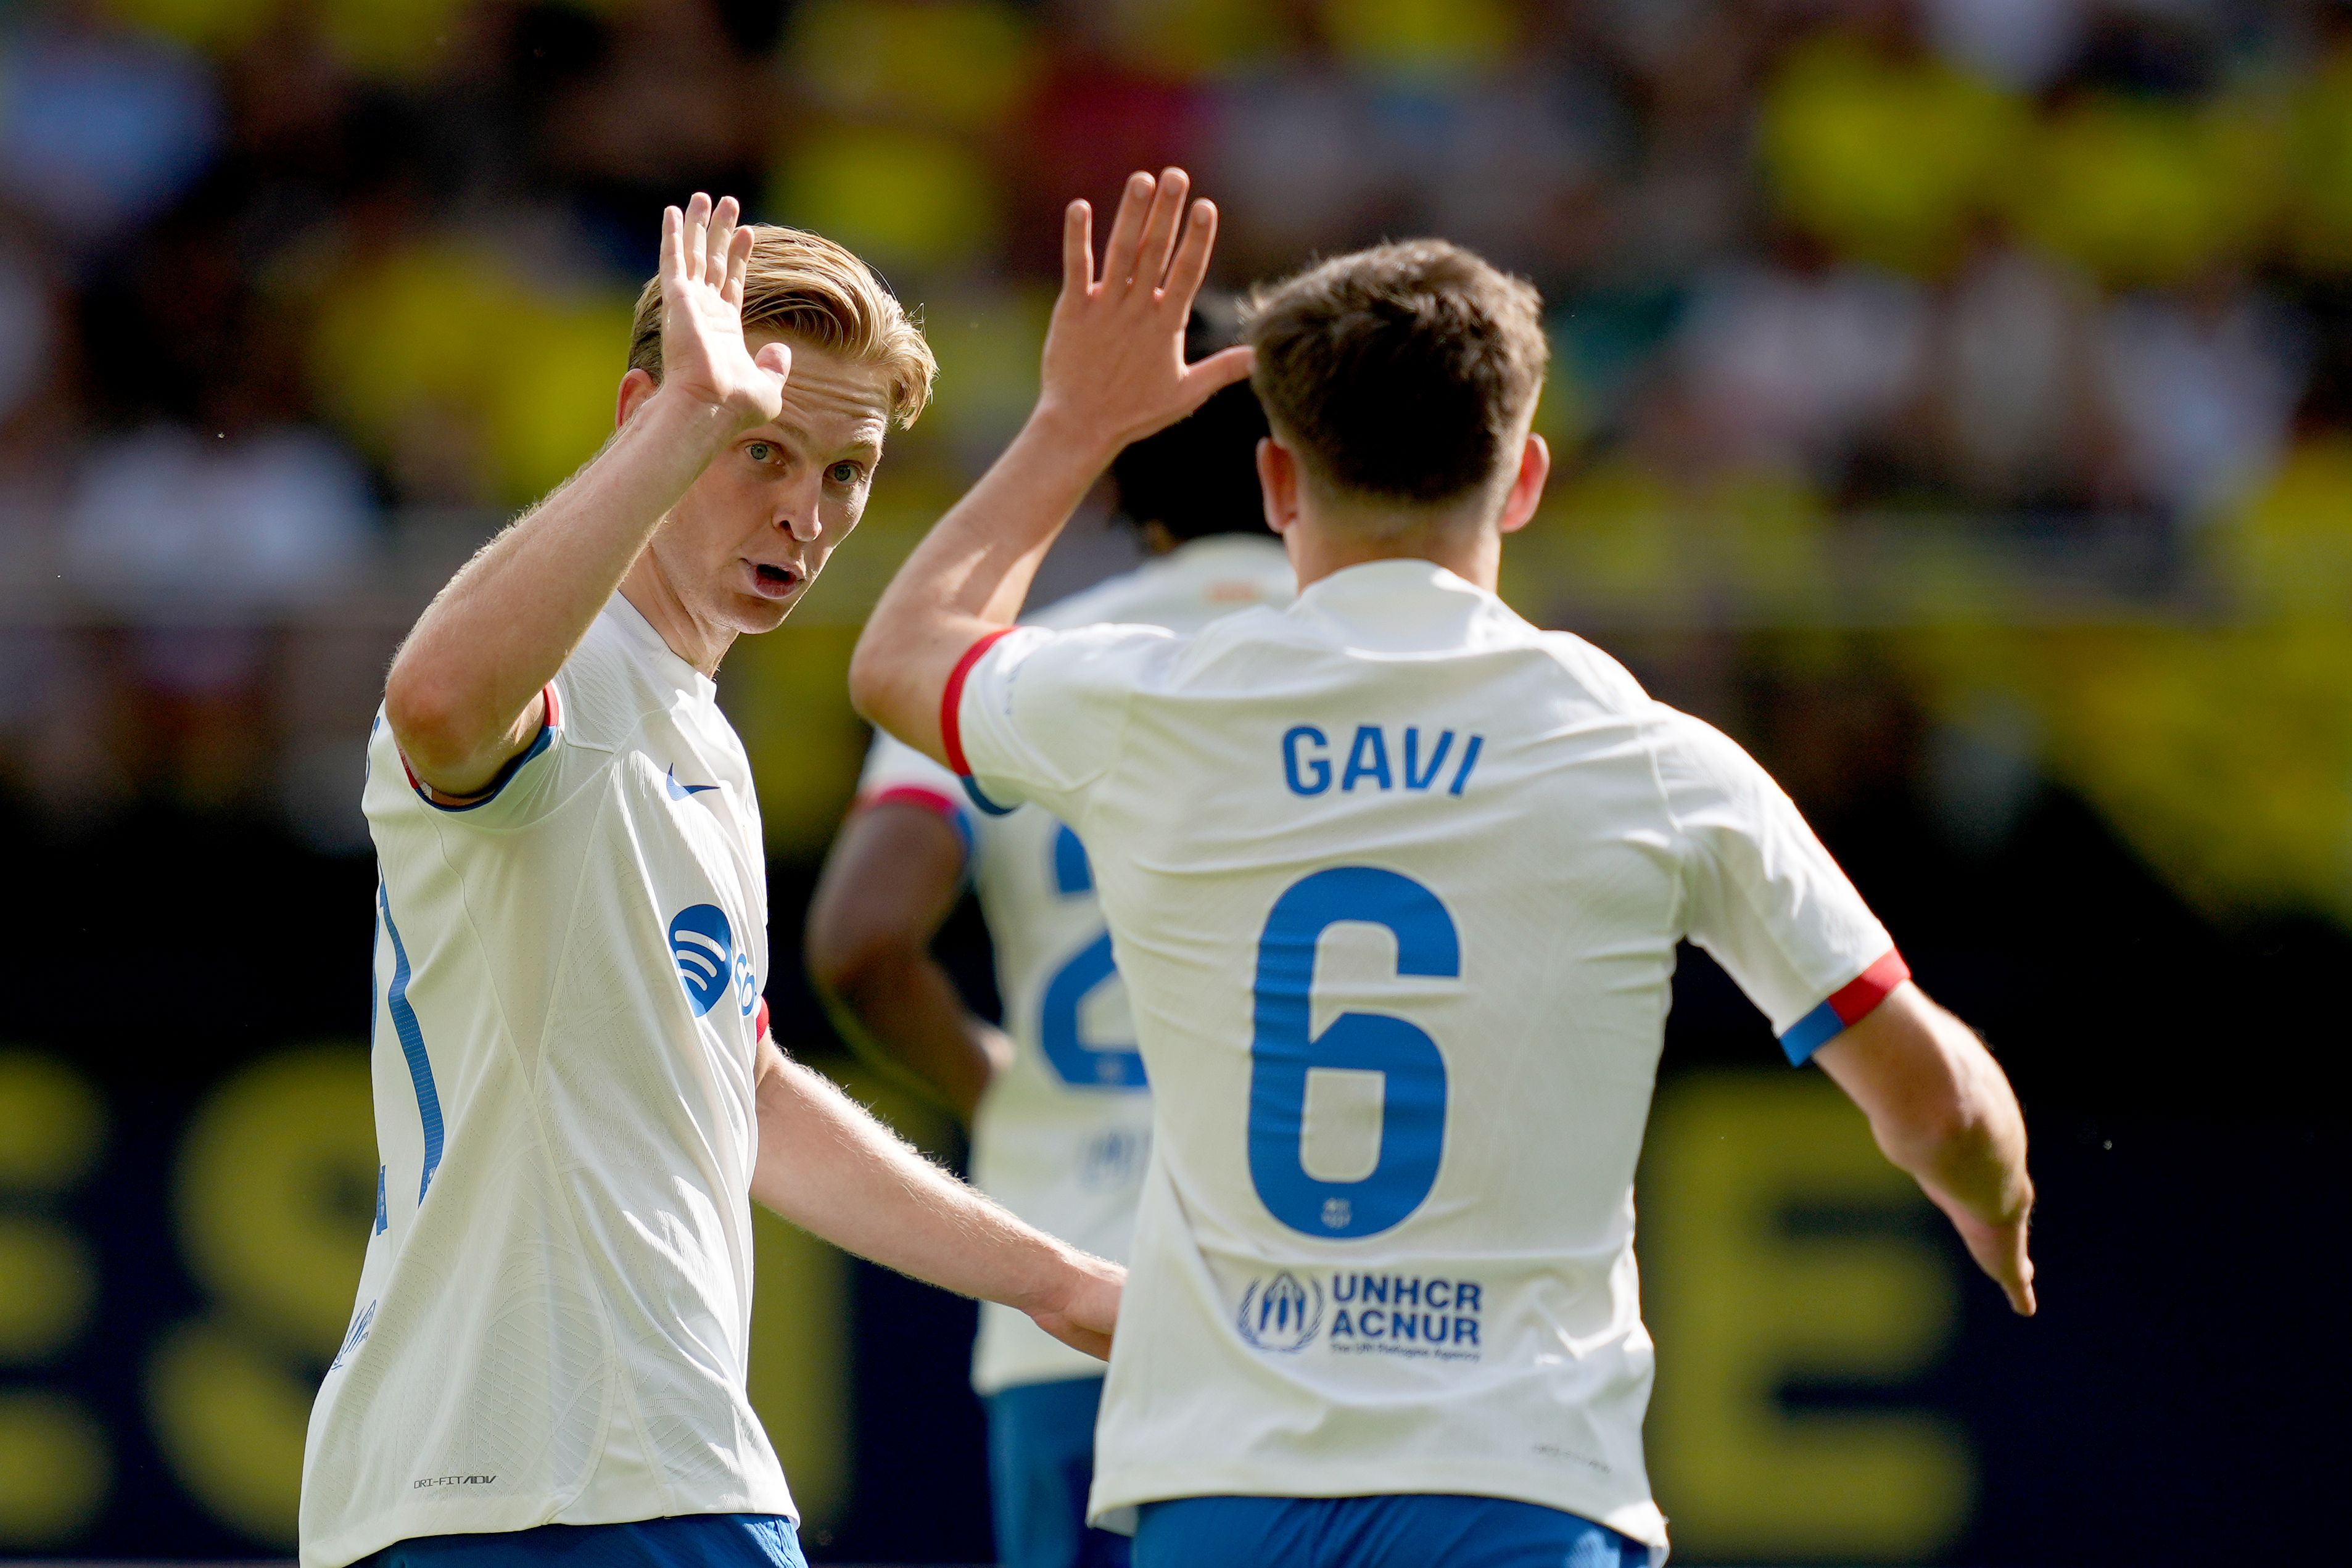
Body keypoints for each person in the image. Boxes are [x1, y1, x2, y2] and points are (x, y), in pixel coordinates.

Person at [848, 169, 2036, 1567]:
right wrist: (1991, 1195)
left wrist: (1072, 424)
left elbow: (897, 658)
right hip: (1518, 1484)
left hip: (1223, 1486)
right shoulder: (1647, 755)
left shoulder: (1152, 707)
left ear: (1278, 480)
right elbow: (1933, 1096)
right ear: (1523, 478)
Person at [300, 195, 1122, 1568]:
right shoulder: (569, 674)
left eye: (847, 472)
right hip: (565, 1486)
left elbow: (738, 1087)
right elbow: (438, 701)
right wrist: (687, 413)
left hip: (573, 1478)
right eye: (761, 450)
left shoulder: (697, 733)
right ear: (646, 414)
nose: (806, 512)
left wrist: (1057, 1278)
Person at [805, 296, 1292, 1568]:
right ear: (1301, 469)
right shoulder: (1400, 670)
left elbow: (860, 937)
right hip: (1346, 1310)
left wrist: (1000, 1090)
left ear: (1121, 482)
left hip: (1082, 1290)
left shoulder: (1021, 667)